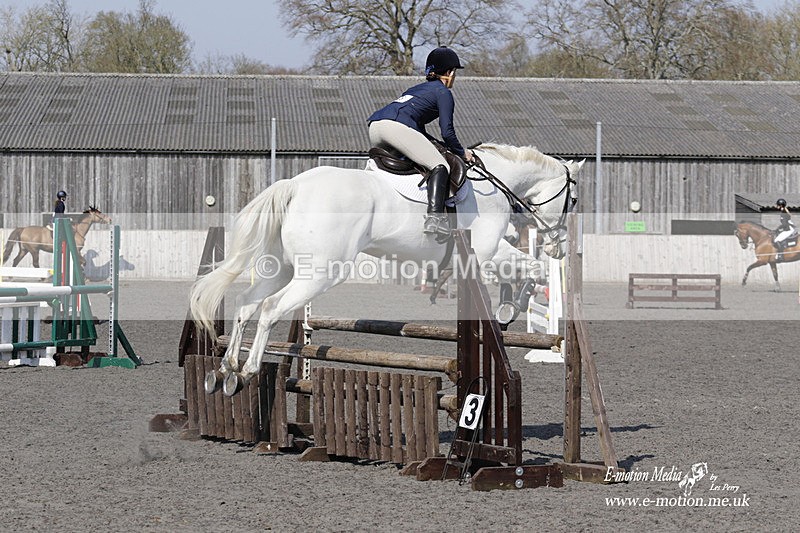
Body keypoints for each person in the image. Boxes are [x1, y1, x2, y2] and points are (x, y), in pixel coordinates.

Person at [368, 46, 474, 240]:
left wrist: (435, 144)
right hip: (395, 128)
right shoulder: (443, 92)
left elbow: (416, 130)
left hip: (376, 127)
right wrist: (461, 152)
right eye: (455, 72)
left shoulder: (416, 89)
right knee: (439, 165)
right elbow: (447, 132)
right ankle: (435, 218)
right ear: (449, 73)